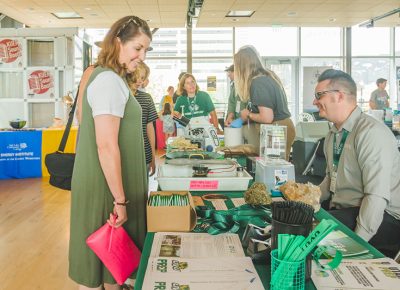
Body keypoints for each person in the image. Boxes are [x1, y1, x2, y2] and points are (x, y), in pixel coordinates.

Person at [69, 15, 152, 289]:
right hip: (106, 189)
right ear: (118, 42)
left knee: (112, 266)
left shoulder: (103, 76)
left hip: (107, 184)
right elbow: (105, 144)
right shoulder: (109, 81)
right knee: (98, 267)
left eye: (145, 50)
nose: (141, 56)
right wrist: (119, 200)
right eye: (137, 48)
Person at [314, 69, 400, 258]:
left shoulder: (370, 133)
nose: (315, 101)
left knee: (311, 236)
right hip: (346, 210)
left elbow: (376, 198)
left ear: (339, 96)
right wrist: (306, 202)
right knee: (300, 222)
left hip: (383, 219)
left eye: (319, 95)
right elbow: (331, 180)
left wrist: (355, 244)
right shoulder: (333, 135)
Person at [234, 45, 295, 160]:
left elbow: (267, 117)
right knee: (274, 170)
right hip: (281, 127)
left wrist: (248, 114)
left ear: (242, 67)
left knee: (273, 171)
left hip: (277, 129)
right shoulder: (266, 76)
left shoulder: (258, 83)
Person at [127, 62, 158, 177]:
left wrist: (153, 157)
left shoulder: (147, 98)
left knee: (142, 192)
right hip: (123, 155)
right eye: (138, 76)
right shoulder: (119, 96)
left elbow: (150, 128)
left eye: (143, 78)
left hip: (145, 154)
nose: (140, 81)